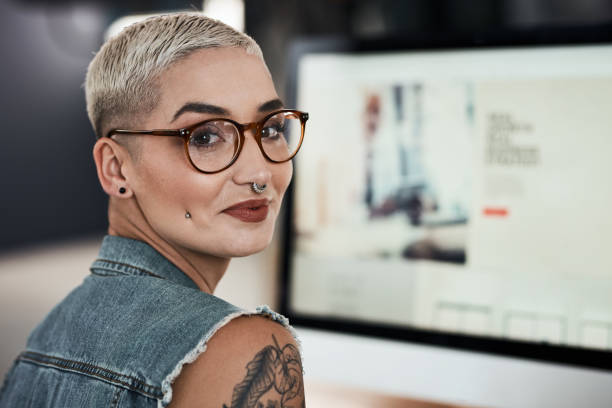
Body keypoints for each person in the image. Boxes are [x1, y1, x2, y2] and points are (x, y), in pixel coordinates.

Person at [0, 12, 307, 408]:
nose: (260, 173)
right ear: (116, 168)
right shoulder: (245, 351)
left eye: (269, 129)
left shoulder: (48, 335)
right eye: (206, 136)